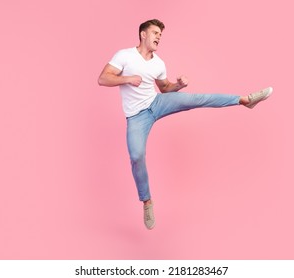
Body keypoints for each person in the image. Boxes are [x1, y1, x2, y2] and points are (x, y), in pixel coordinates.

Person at [98, 19, 273, 230]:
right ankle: (147, 201)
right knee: (136, 156)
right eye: (155, 33)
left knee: (196, 99)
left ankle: (245, 100)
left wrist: (178, 85)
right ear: (143, 34)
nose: (158, 37)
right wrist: (126, 79)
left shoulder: (158, 63)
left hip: (157, 103)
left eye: (160, 35)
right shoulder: (124, 55)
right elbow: (103, 78)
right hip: (136, 116)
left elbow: (164, 88)